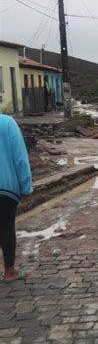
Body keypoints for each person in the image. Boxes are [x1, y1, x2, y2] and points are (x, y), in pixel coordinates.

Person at [0, 114, 33, 284]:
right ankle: (9, 271)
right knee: (6, 226)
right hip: (6, 188)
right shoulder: (7, 123)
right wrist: (26, 188)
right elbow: (20, 159)